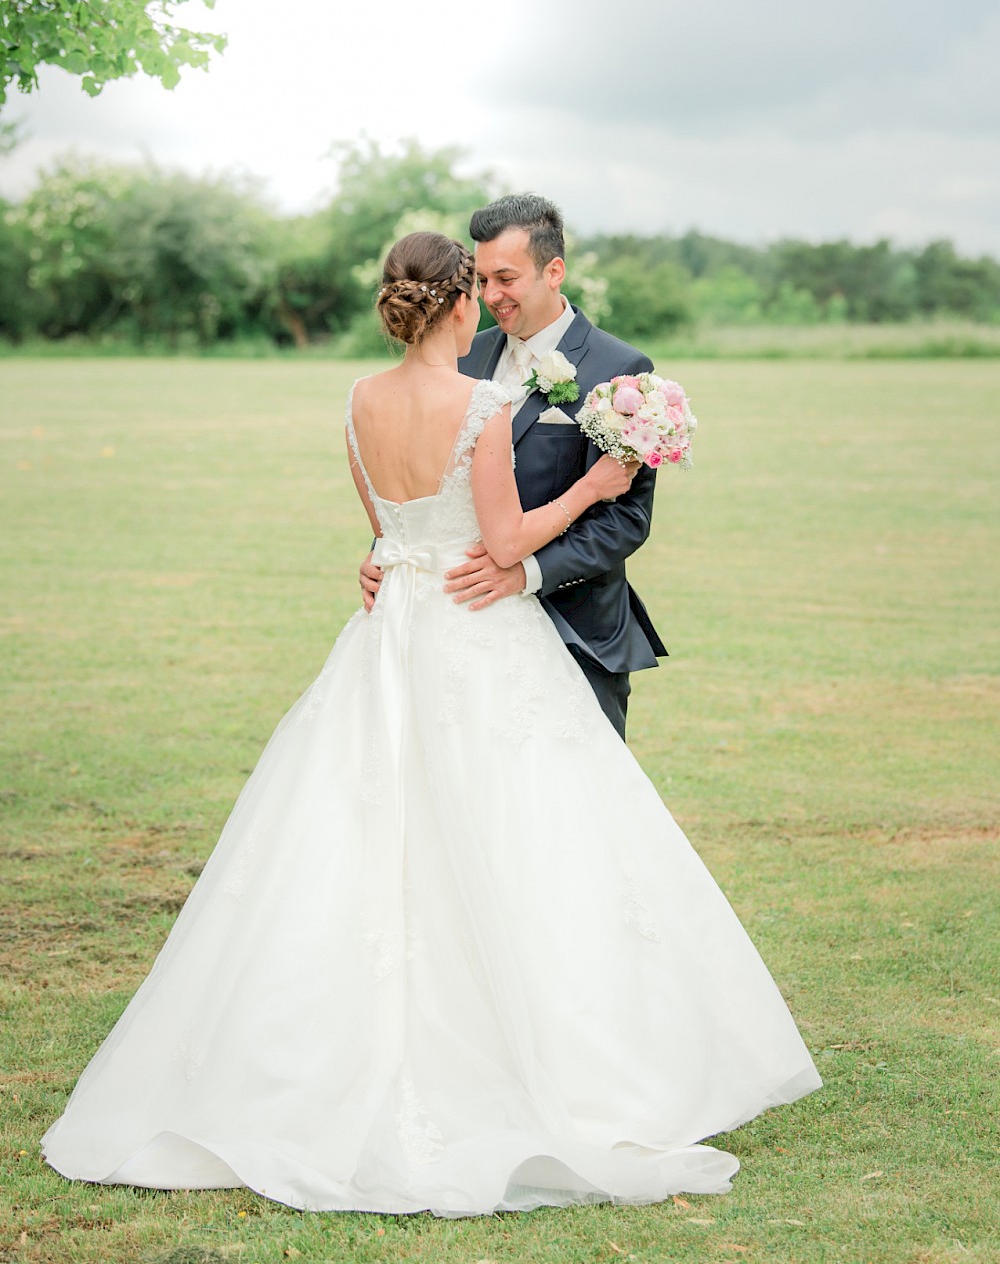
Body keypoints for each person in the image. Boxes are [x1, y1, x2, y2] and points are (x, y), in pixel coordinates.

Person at [42, 231, 820, 1217]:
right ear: (458, 305)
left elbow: (388, 526)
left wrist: (384, 557)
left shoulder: (358, 401)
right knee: (519, 837)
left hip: (388, 635)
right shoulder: (483, 404)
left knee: (357, 828)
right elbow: (498, 541)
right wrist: (593, 484)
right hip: (475, 632)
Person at [361, 194, 666, 739]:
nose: (491, 295)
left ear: (554, 271)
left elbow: (625, 518)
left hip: (578, 631)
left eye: (506, 278)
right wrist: (389, 555)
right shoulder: (462, 354)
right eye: (480, 280)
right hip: (462, 631)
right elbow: (430, 475)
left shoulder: (622, 370)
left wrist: (524, 573)